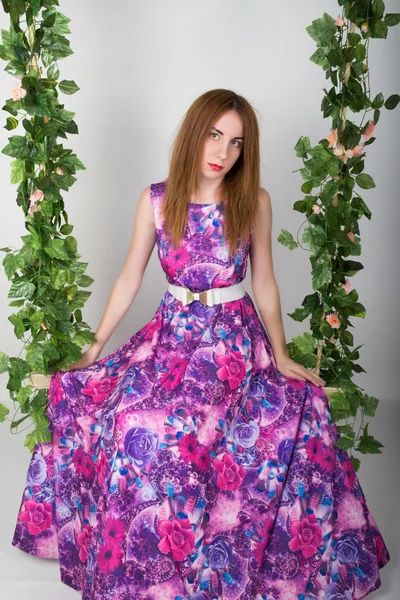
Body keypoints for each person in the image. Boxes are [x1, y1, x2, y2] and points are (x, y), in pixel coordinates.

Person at [12, 89, 389, 600]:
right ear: (195, 133)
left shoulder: (252, 200)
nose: (224, 152)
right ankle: (141, 569)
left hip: (233, 342)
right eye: (215, 135)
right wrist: (96, 346)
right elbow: (129, 277)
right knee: (125, 420)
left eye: (236, 143)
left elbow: (265, 284)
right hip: (170, 336)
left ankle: (212, 564)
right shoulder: (156, 200)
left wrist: (280, 354)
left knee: (190, 426)